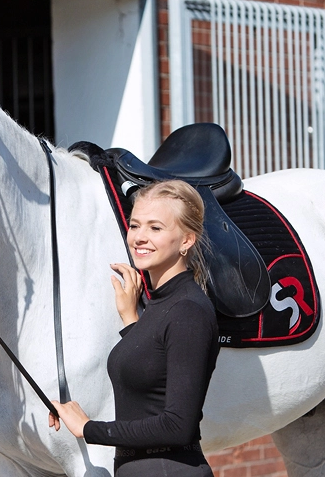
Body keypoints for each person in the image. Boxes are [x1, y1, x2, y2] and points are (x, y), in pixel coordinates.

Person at [49, 179, 221, 477]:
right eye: (135, 225)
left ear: (186, 240)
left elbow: (177, 426)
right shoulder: (159, 306)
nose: (139, 237)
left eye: (155, 228)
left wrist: (88, 429)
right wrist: (131, 321)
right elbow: (150, 377)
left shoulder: (188, 311)